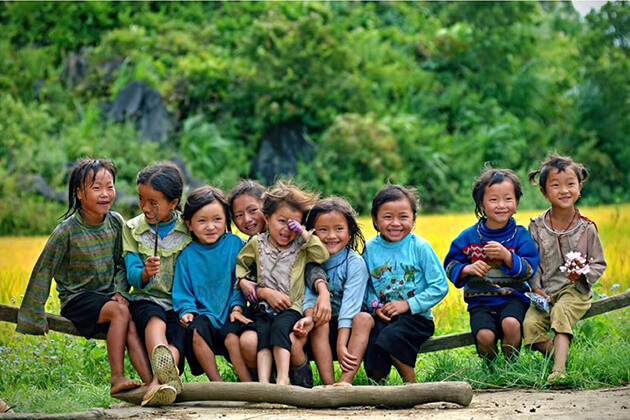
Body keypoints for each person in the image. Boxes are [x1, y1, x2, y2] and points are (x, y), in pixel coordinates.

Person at [16, 158, 152, 395]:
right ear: (79, 193)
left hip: (107, 298)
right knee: (121, 312)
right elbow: (44, 269)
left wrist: (120, 291)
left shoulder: (116, 222)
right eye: (96, 187)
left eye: (109, 187)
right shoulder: (66, 231)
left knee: (127, 318)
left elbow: (123, 263)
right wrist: (34, 316)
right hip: (77, 300)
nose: (105, 194)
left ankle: (153, 385)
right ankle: (116, 377)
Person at [229, 179, 330, 386]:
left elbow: (322, 255)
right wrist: (244, 281)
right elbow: (241, 262)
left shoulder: (300, 246)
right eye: (282, 222)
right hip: (263, 308)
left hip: (290, 308)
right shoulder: (257, 243)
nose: (287, 229)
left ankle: (285, 380)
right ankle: (265, 383)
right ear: (267, 219)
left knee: (280, 331)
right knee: (261, 336)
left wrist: (303, 233)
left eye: (293, 224)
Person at [524, 154, 606, 382]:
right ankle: (562, 357)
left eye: (571, 184)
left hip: (575, 291)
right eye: (556, 185)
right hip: (545, 293)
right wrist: (536, 287)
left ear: (580, 187)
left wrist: (583, 273)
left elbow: (599, 263)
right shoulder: (536, 227)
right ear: (543, 191)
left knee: (561, 312)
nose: (564, 190)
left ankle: (559, 372)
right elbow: (534, 263)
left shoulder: (587, 228)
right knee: (530, 326)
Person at [444, 169, 539, 365]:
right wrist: (466, 269)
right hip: (480, 302)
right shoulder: (469, 237)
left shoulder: (520, 235)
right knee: (485, 337)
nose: (501, 205)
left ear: (517, 202)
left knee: (511, 324)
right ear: (481, 204)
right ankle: (492, 369)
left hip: (513, 298)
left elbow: (529, 269)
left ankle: (511, 366)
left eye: (508, 199)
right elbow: (450, 264)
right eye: (493, 200)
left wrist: (507, 256)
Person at [363, 184, 448, 383]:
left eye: (403, 216)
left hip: (417, 318)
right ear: (375, 219)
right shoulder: (370, 248)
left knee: (393, 337)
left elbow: (440, 286)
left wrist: (408, 305)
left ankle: (410, 386)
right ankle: (377, 389)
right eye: (387, 217)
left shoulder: (419, 247)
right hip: (383, 316)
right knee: (373, 342)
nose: (395, 223)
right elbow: (366, 286)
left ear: (414, 218)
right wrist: (376, 307)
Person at [123, 161, 191, 406]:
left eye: (154, 203)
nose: (145, 208)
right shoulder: (133, 229)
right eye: (141, 199)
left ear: (173, 203)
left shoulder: (189, 228)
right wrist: (143, 274)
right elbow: (131, 271)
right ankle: (160, 375)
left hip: (178, 304)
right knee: (155, 319)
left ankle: (156, 385)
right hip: (146, 299)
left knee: (177, 340)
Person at [172, 185, 252, 382]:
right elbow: (183, 290)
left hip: (232, 311)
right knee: (196, 332)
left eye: (217, 219)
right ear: (189, 224)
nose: (210, 226)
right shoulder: (187, 256)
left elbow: (240, 280)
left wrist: (237, 307)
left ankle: (249, 385)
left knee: (233, 339)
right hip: (204, 314)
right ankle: (217, 384)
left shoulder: (235, 244)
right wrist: (187, 310)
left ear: (226, 219)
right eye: (202, 221)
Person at [296, 197, 373, 386]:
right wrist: (309, 315)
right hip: (322, 322)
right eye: (323, 230)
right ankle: (329, 386)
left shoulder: (354, 262)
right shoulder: (307, 258)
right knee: (319, 319)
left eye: (339, 229)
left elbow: (351, 306)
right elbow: (307, 293)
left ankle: (345, 381)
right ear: (312, 232)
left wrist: (341, 343)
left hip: (350, 324)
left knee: (364, 319)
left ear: (349, 233)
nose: (331, 236)